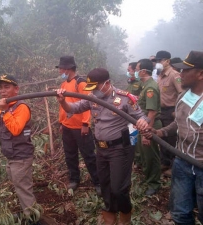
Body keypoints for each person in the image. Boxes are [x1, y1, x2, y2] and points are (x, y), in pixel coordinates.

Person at [56, 68, 149, 225]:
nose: (94, 91)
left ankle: (125, 213)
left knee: (119, 187)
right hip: (100, 148)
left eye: (97, 87)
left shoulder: (125, 98)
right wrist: (63, 101)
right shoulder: (92, 98)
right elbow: (73, 108)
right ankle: (110, 210)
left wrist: (143, 123)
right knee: (104, 183)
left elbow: (141, 117)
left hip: (120, 149)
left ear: (107, 83)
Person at [143, 50, 203, 225]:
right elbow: (178, 122)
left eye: (185, 71)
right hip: (183, 162)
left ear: (200, 74)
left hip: (201, 165)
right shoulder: (184, 96)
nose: (180, 74)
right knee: (180, 213)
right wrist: (160, 132)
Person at [0, 75, 41, 224]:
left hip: (21, 157)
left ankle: (33, 219)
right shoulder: (8, 109)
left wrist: (4, 110)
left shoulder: (21, 107)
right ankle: (28, 212)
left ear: (16, 89)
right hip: (13, 157)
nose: (2, 91)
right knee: (19, 186)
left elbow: (16, 129)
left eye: (6, 87)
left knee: (23, 188)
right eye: (0, 88)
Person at [56, 56, 100, 195]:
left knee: (89, 155)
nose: (60, 71)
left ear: (68, 69)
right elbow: (63, 106)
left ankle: (98, 181)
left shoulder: (80, 83)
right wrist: (61, 122)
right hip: (68, 127)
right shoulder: (64, 85)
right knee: (70, 155)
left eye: (61, 68)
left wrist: (86, 123)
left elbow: (88, 104)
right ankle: (74, 179)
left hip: (80, 127)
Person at [135, 59, 162, 196]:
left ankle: (154, 184)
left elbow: (152, 112)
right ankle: (148, 179)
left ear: (143, 71)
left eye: (137, 69)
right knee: (145, 155)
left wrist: (147, 133)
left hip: (150, 126)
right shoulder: (145, 85)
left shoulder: (150, 87)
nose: (135, 72)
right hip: (144, 125)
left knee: (151, 156)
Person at [155, 51, 183, 177]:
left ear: (168, 61)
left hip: (171, 111)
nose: (158, 63)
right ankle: (165, 162)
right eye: (157, 61)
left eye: (161, 60)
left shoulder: (174, 75)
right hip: (162, 111)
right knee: (163, 138)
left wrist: (177, 111)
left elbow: (182, 94)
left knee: (172, 140)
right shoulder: (160, 75)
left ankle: (174, 166)